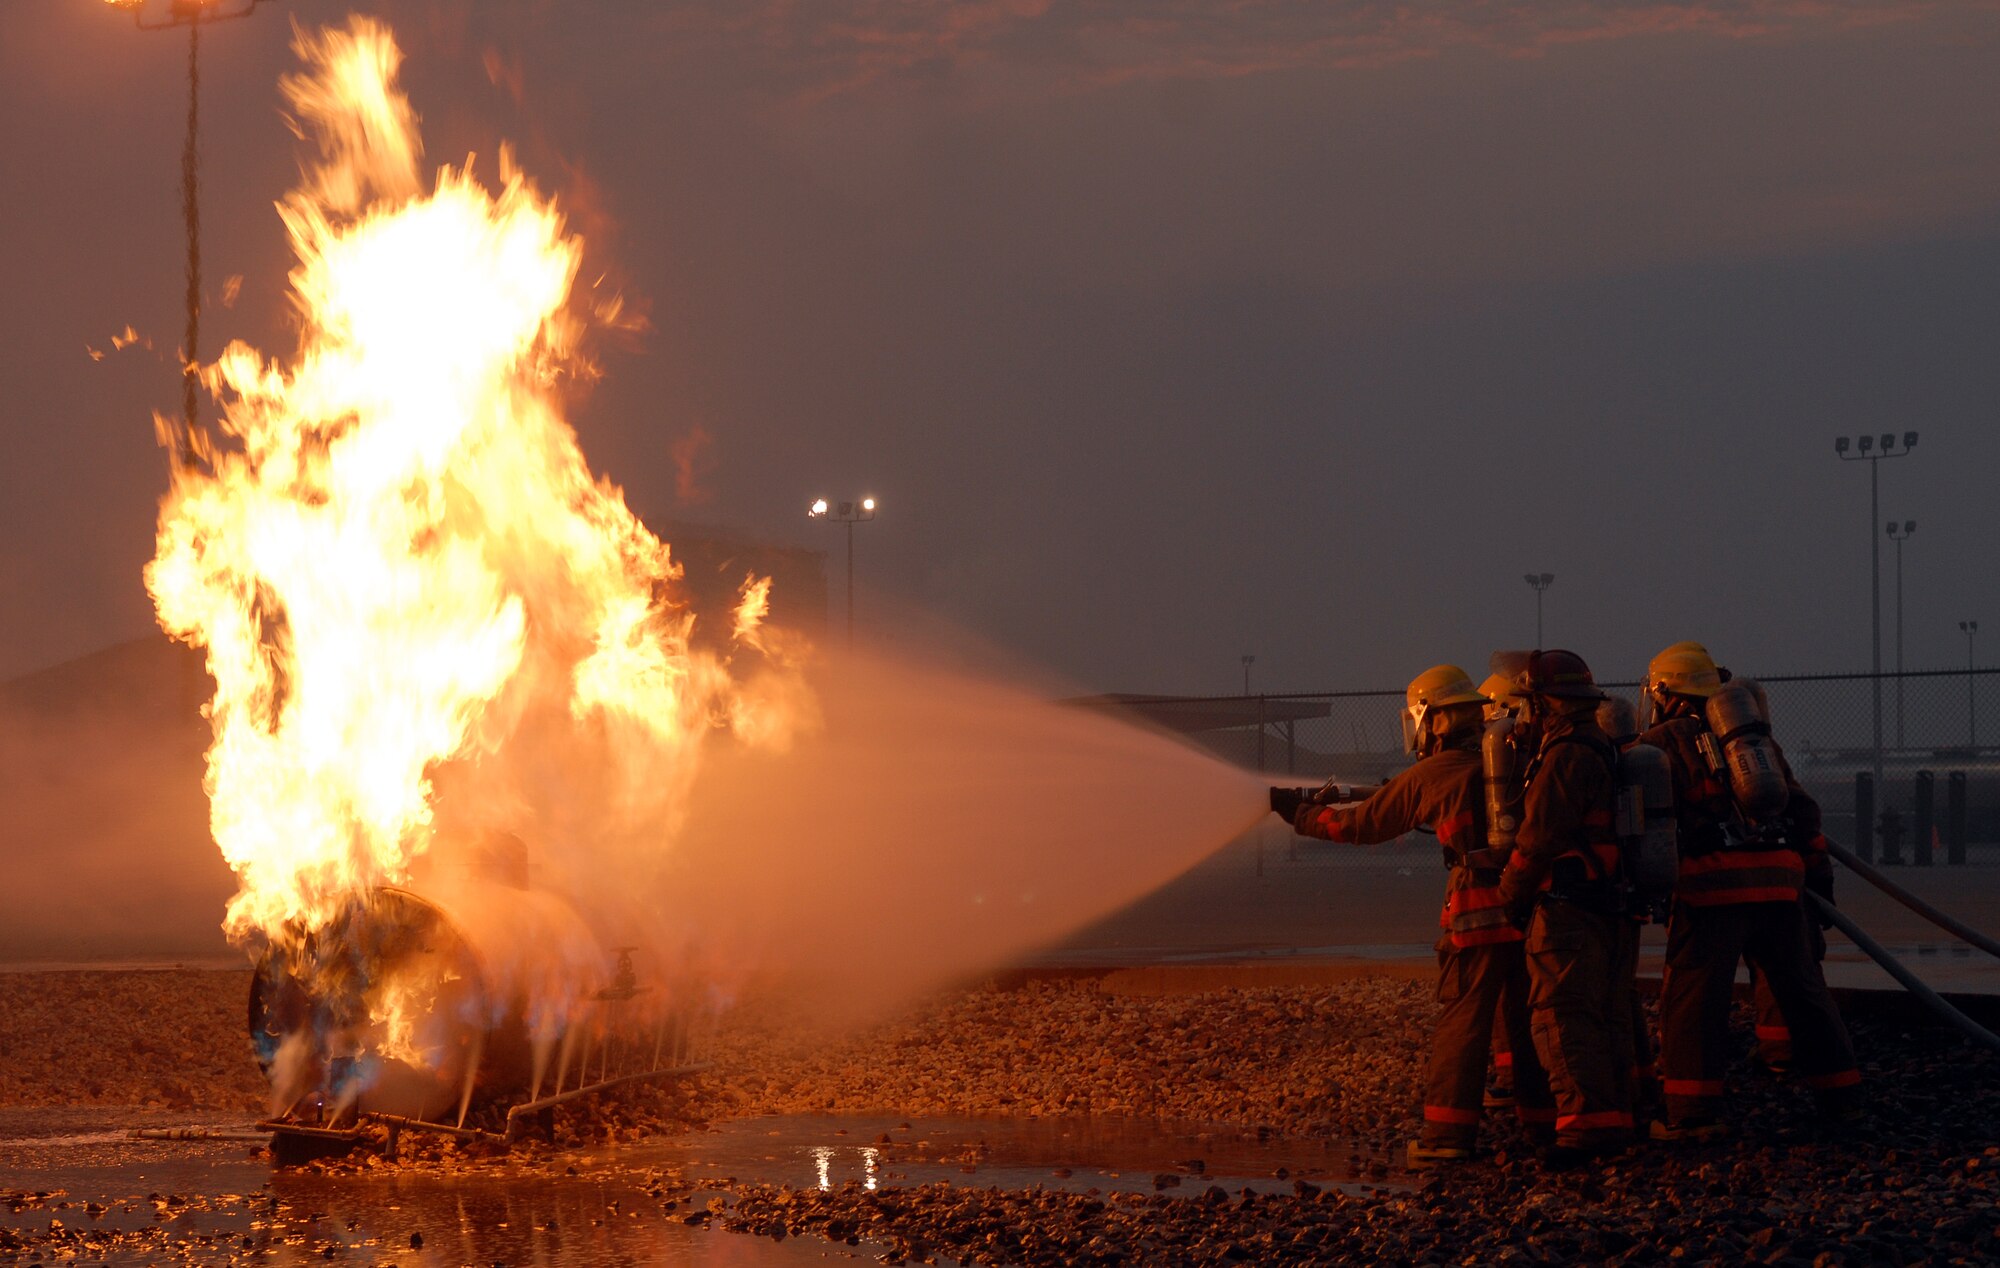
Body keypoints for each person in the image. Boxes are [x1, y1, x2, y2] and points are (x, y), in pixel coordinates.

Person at [1270, 665, 1553, 1166]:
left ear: (1434, 720)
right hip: (1528, 909)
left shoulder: (1433, 773)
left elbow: (1366, 824)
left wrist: (1302, 816)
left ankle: (1447, 1137)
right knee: (1524, 1016)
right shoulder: (1512, 758)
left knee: (1462, 1024)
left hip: (1474, 914)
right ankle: (1542, 1123)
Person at [1638, 644, 1861, 1140]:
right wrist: (1817, 877)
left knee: (1694, 1001)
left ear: (1664, 692)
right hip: (1781, 886)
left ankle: (1695, 1116)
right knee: (1804, 993)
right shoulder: (1757, 741)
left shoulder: (1657, 746)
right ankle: (1843, 1098)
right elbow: (1802, 811)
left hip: (1713, 888)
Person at [1494, 649, 1637, 1165]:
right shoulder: (1601, 744)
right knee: (1605, 1016)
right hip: (1606, 904)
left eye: (1528, 704)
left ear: (1545, 703)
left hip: (1568, 910)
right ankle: (1616, 1119)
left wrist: (1510, 894)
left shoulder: (1565, 756)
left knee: (1562, 1016)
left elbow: (1537, 840)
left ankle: (1585, 1131)